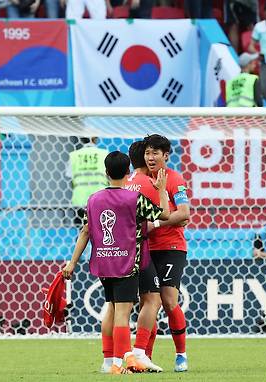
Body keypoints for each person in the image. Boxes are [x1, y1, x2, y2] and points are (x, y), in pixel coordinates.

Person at [62, 151, 171, 375]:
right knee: (122, 313)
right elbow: (165, 215)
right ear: (128, 172)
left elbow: (85, 232)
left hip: (103, 262)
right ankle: (123, 362)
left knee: (111, 309)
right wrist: (161, 190)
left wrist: (72, 263)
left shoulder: (93, 199)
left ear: (105, 173)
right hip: (126, 262)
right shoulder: (134, 199)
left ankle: (108, 360)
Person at [143, 134, 191, 373]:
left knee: (169, 300)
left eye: (155, 153)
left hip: (172, 248)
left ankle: (181, 355)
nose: (150, 157)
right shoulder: (141, 181)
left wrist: (158, 224)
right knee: (148, 303)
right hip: (147, 248)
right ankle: (146, 355)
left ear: (165, 156)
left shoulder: (175, 179)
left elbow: (184, 213)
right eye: (147, 153)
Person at [122, 140, 164, 373]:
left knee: (119, 306)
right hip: (140, 250)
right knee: (152, 300)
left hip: (116, 253)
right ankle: (139, 352)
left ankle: (114, 357)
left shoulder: (125, 182)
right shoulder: (148, 184)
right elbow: (160, 216)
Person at [67, 137, 109, 227]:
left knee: (82, 232)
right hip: (100, 199)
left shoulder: (74, 155)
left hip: (79, 200)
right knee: (101, 230)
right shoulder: (103, 154)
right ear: (95, 138)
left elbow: (70, 178)